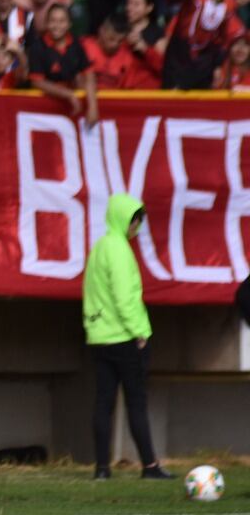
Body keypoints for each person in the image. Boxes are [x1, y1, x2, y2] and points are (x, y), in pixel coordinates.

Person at [83, 194, 170, 481]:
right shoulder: (119, 250)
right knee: (136, 402)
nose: (138, 227)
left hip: (100, 338)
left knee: (102, 403)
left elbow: (92, 293)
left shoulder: (99, 248)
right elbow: (124, 298)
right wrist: (140, 332)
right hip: (124, 338)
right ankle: (150, 466)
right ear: (127, 220)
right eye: (137, 220)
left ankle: (101, 469)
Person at [163, 0, 245, 89]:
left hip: (205, 62)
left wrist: (218, 65)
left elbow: (225, 38)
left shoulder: (230, 1)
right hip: (179, 56)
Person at [27, 1, 97, 123]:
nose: (57, 25)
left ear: (69, 24)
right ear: (47, 23)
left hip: (72, 108)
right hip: (44, 107)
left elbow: (89, 75)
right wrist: (68, 94)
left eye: (61, 21)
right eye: (53, 21)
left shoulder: (76, 44)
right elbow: (37, 82)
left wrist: (93, 107)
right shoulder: (37, 47)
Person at [121, 0, 167, 88]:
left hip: (146, 92)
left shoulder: (157, 33)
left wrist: (145, 49)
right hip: (121, 90)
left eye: (136, 4)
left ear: (149, 8)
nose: (130, 8)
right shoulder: (120, 29)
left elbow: (164, 68)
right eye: (129, 3)